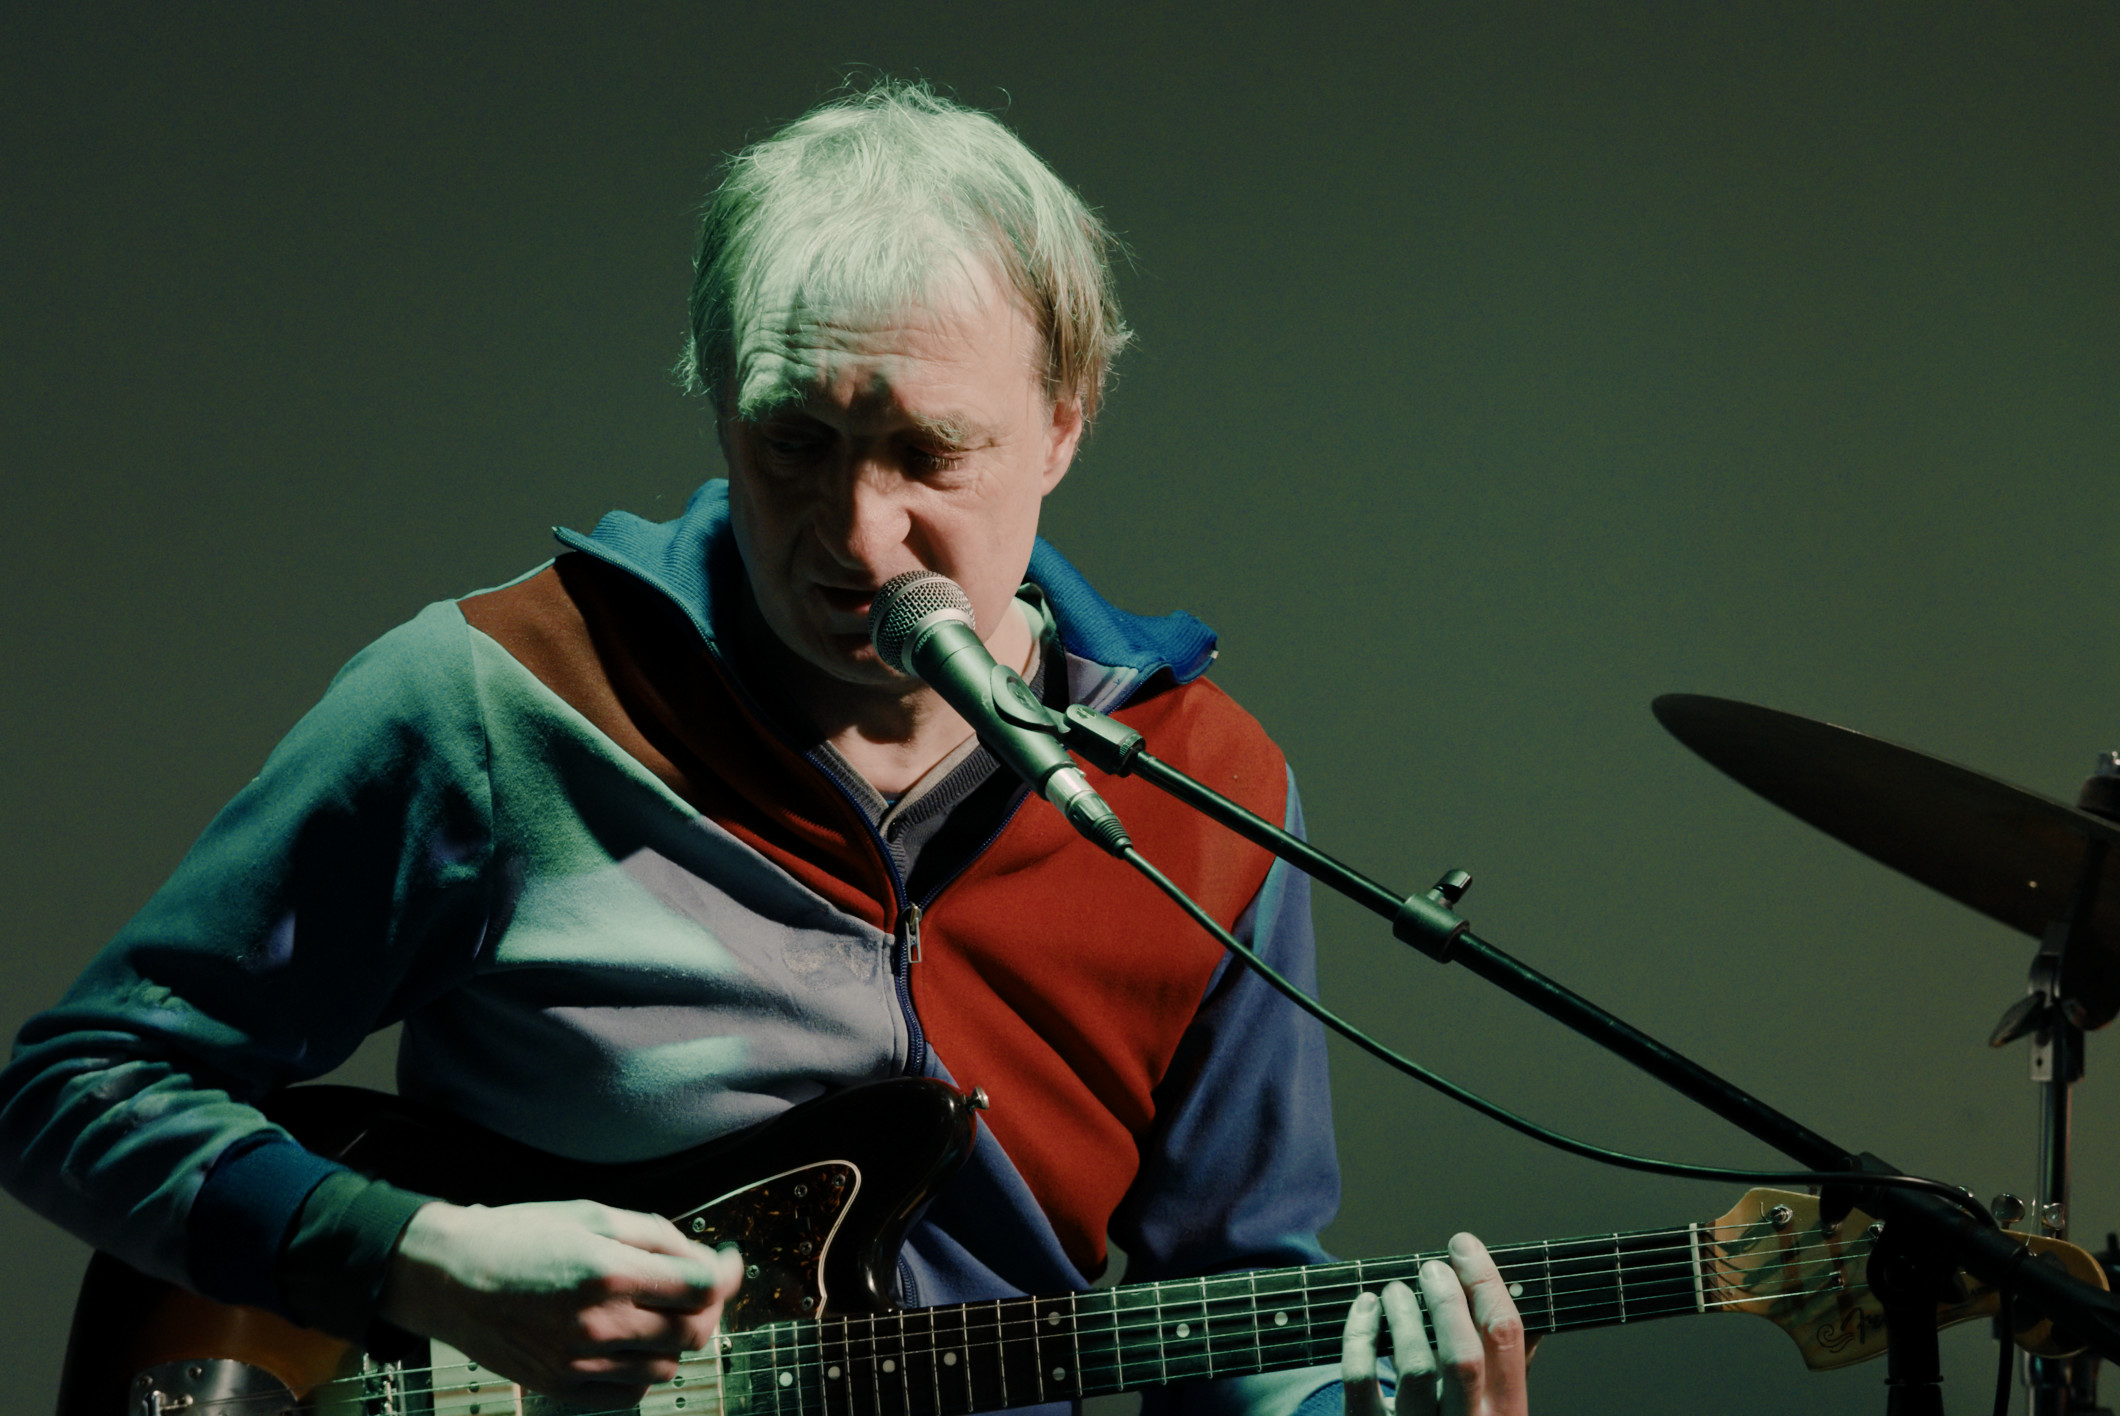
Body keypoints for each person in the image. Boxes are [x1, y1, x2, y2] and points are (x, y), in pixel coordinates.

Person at [0, 82, 1527, 1415]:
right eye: (794, 441)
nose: (858, 537)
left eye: (931, 453)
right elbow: (75, 1088)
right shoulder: (496, 700)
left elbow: (1232, 1320)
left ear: (1066, 420)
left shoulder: (1204, 792)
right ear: (717, 399)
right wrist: (423, 1260)